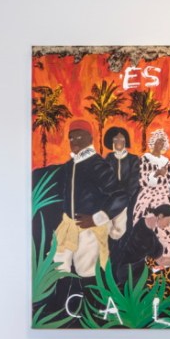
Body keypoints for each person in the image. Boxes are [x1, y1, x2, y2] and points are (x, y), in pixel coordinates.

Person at [52, 119, 127, 278]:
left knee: (88, 272)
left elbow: (120, 196)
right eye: (71, 138)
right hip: (69, 226)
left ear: (90, 138)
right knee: (59, 269)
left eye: (79, 137)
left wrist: (96, 219)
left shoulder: (97, 164)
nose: (74, 141)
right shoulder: (71, 164)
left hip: (89, 231)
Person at [131, 129, 170, 227]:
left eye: (163, 142)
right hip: (149, 196)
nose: (160, 144)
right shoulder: (145, 159)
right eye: (158, 141)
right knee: (147, 224)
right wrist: (156, 174)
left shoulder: (166, 162)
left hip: (164, 196)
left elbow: (167, 181)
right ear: (153, 142)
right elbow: (144, 181)